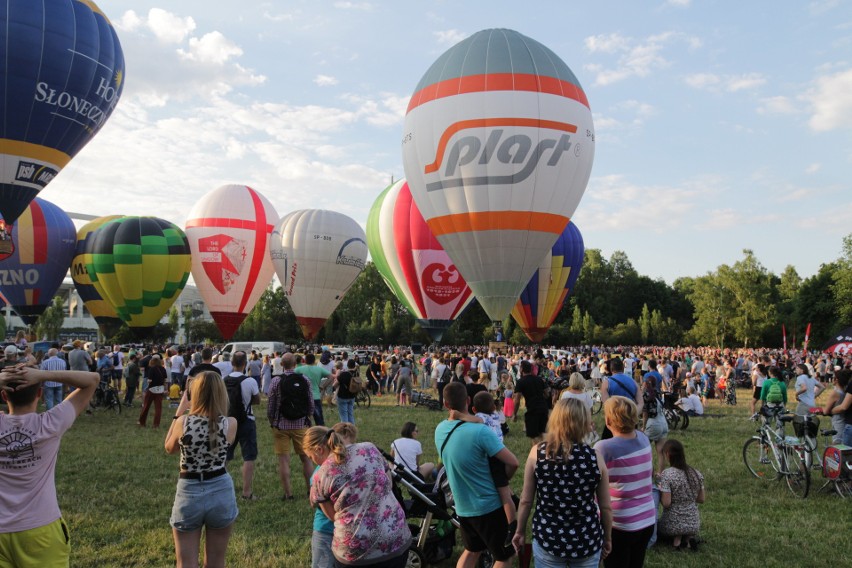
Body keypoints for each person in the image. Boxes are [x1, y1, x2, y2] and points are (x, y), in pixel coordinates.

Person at [0, 364, 99, 567]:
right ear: (40, 393)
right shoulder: (50, 423)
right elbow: (92, 379)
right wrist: (44, 375)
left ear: (3, 395)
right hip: (41, 529)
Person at [512, 398, 613, 568]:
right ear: (584, 423)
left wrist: (520, 531)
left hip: (548, 539)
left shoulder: (537, 453)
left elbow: (526, 500)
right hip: (586, 540)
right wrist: (608, 537)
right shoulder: (595, 458)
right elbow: (605, 507)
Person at [436, 382, 519, 568]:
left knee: (473, 550)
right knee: (504, 556)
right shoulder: (480, 432)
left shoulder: (440, 430)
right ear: (467, 400)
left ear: (445, 404)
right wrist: (504, 479)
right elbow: (513, 462)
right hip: (488, 506)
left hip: (463, 506)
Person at [165, 372, 239, 568]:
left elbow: (169, 447)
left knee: (186, 563)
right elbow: (215, 443)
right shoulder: (230, 423)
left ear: (194, 394)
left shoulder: (183, 422)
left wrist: (180, 411)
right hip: (221, 489)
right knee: (216, 562)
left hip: (189, 491)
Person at [306, 426, 408, 567]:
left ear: (319, 449)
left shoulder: (321, 474)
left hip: (356, 551)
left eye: (311, 457)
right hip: (396, 538)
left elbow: (333, 516)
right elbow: (388, 485)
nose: (313, 462)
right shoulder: (369, 448)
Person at [594, 397, 656, 568]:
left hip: (619, 523)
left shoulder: (604, 448)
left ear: (608, 420)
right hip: (647, 519)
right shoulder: (643, 438)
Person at [450, 390, 518, 544]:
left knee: (503, 494)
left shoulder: (480, 418)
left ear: (474, 409)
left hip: (491, 458)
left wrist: (459, 415)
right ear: (494, 406)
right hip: (500, 455)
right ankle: (513, 518)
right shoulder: (496, 415)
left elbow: (478, 422)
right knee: (505, 492)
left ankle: (512, 524)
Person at [267, 353, 315, 500]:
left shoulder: (276, 381)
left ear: (282, 364)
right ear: (296, 364)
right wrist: (308, 416)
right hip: (301, 424)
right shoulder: (304, 380)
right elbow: (310, 402)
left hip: (281, 425)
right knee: (306, 458)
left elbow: (271, 404)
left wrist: (272, 420)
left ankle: (289, 494)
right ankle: (311, 491)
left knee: (284, 460)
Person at [224, 352, 260, 500]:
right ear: (245, 364)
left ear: (232, 363)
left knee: (224, 456)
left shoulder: (223, 380)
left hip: (227, 421)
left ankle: (221, 489)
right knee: (248, 456)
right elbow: (257, 400)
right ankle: (246, 492)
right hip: (246, 420)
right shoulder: (250, 381)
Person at [657, 439, 704, 551]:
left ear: (668, 455)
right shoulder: (696, 473)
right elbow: (701, 499)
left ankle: (677, 540)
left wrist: (660, 489)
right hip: (693, 524)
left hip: (671, 524)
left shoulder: (667, 475)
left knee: (657, 528)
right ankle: (687, 539)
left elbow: (666, 503)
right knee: (686, 527)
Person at [599, 358, 642, 439]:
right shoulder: (633, 382)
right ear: (623, 368)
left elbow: (606, 404)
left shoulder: (607, 382)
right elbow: (641, 403)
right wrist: (632, 415)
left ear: (611, 369)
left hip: (614, 421)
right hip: (631, 420)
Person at [513, 360, 550, 445]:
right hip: (543, 408)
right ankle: (544, 453)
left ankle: (537, 454)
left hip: (532, 410)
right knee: (542, 433)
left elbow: (517, 400)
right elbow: (547, 394)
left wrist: (514, 414)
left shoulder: (520, 382)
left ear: (521, 369)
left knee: (534, 436)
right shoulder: (539, 379)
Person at [296, 353, 331, 427]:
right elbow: (331, 377)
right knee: (319, 420)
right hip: (315, 396)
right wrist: (323, 386)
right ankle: (321, 435)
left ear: (305, 360)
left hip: (303, 397)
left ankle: (307, 435)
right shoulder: (319, 369)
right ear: (314, 361)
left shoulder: (298, 369)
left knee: (303, 420)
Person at [139, 355, 168, 428]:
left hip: (152, 389)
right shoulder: (163, 369)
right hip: (160, 389)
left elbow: (149, 380)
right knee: (158, 408)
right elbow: (165, 380)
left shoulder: (152, 369)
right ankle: (156, 424)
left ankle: (142, 422)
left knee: (146, 406)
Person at [822, 371, 850, 443]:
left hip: (838, 423)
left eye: (833, 377)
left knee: (837, 448)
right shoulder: (845, 392)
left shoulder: (835, 393)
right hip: (845, 422)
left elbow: (826, 411)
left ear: (836, 379)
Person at [335, 360, 357, 424]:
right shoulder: (356, 373)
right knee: (350, 414)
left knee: (344, 415)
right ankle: (352, 429)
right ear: (354, 366)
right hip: (352, 396)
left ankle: (345, 431)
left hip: (343, 396)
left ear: (347, 366)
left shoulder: (344, 374)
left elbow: (335, 384)